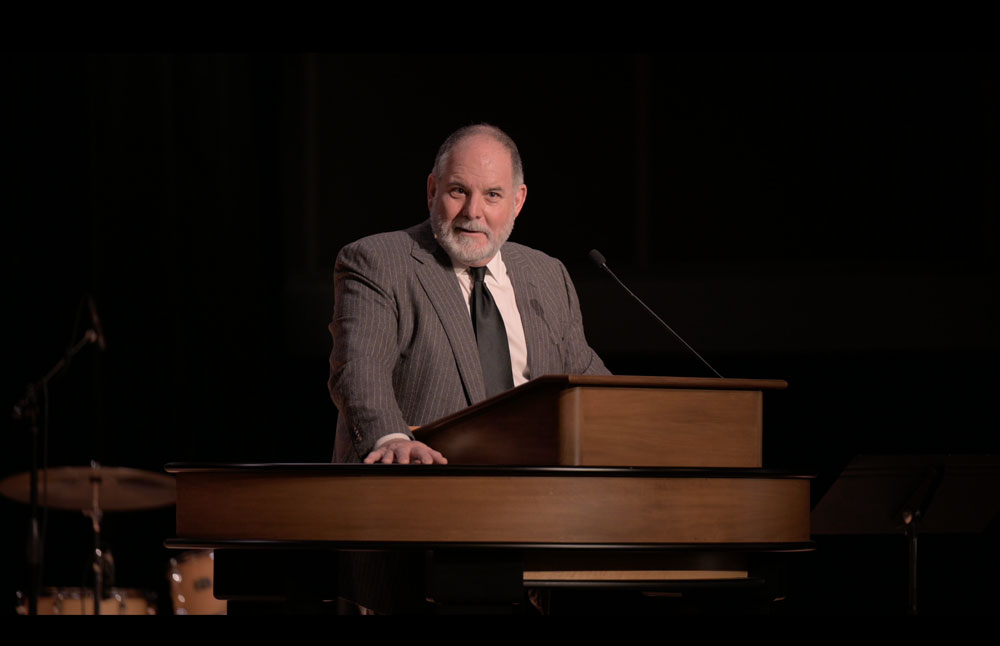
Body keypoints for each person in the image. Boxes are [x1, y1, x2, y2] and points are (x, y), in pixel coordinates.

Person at [328, 124, 609, 465]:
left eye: (493, 195)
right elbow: (360, 369)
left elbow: (591, 384)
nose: (473, 211)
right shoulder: (379, 262)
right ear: (433, 190)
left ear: (517, 201)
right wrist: (392, 439)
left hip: (539, 488)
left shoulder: (547, 274)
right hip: (423, 485)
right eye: (459, 191)